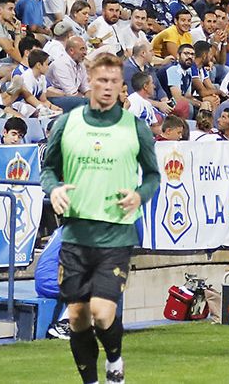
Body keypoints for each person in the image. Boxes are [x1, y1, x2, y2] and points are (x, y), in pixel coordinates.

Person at [40, 51, 160, 384]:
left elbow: (153, 175)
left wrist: (140, 195)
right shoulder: (68, 123)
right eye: (102, 80)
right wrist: (54, 189)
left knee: (102, 313)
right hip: (75, 234)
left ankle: (115, 359)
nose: (108, 87)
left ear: (122, 86)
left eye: (114, 81)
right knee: (78, 317)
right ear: (90, 81)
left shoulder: (135, 128)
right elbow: (48, 170)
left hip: (116, 234)